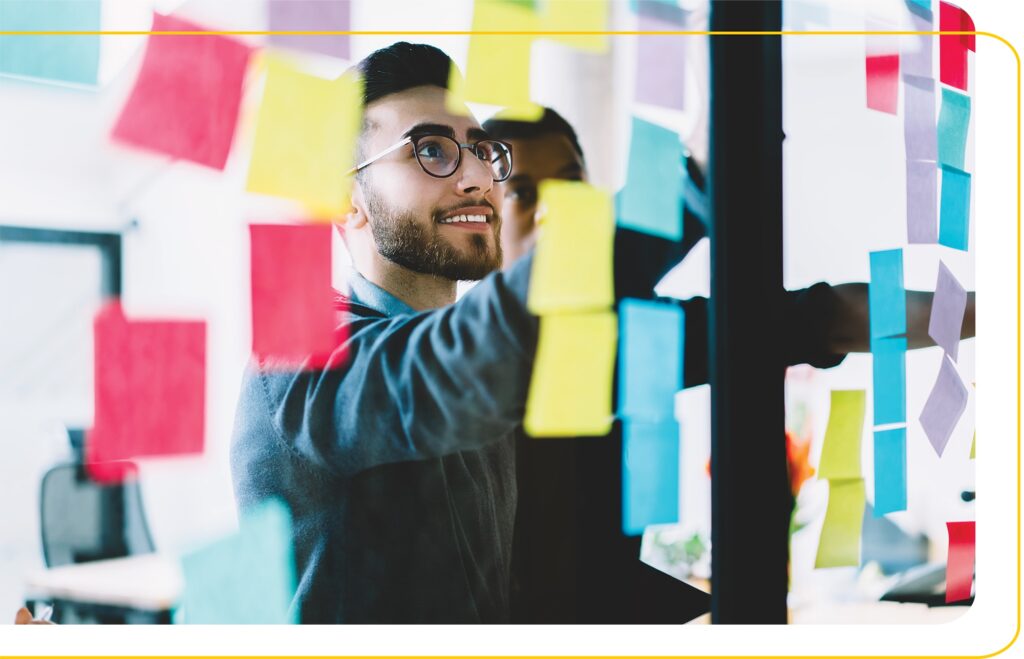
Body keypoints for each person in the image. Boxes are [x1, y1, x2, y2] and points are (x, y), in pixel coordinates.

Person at [483, 108, 977, 622]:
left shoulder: (618, 340)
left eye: (571, 188)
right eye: (522, 192)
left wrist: (986, 310)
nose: (556, 213)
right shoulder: (446, 363)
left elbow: (818, 320)